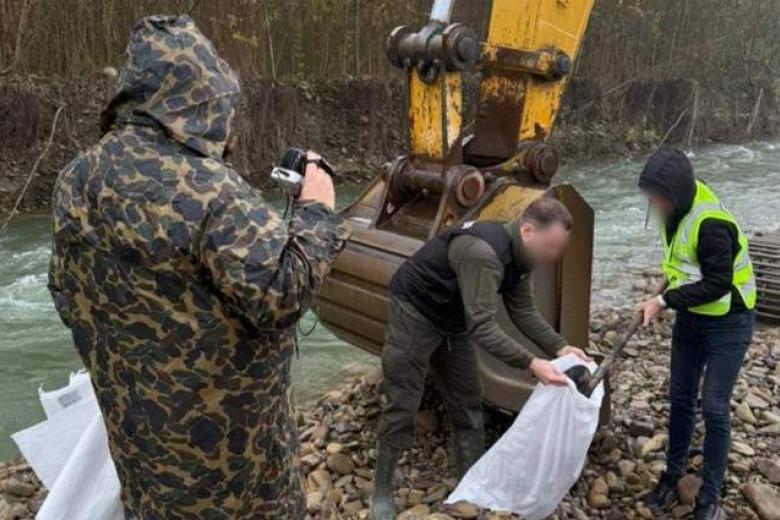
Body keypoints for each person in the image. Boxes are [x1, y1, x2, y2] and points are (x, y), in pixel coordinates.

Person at [48, 15, 349, 519]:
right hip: (234, 473)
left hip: (143, 455)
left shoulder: (77, 178)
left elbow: (65, 292)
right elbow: (285, 292)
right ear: (198, 100)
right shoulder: (210, 189)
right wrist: (317, 208)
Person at [370, 197, 590, 520]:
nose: (554, 256)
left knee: (468, 400)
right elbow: (484, 328)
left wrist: (559, 348)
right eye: (551, 246)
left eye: (559, 248)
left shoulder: (521, 258)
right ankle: (381, 490)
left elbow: (523, 311)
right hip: (416, 312)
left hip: (453, 321)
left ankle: (470, 484)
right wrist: (532, 363)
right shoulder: (484, 255)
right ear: (528, 231)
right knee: (403, 401)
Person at [637, 149, 756, 520]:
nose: (651, 203)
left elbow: (719, 284)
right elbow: (679, 264)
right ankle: (672, 477)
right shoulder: (672, 212)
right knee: (681, 398)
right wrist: (667, 294)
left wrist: (664, 301)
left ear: (675, 193)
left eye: (655, 196)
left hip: (729, 320)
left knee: (715, 407)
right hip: (692, 318)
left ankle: (710, 494)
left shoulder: (710, 224)